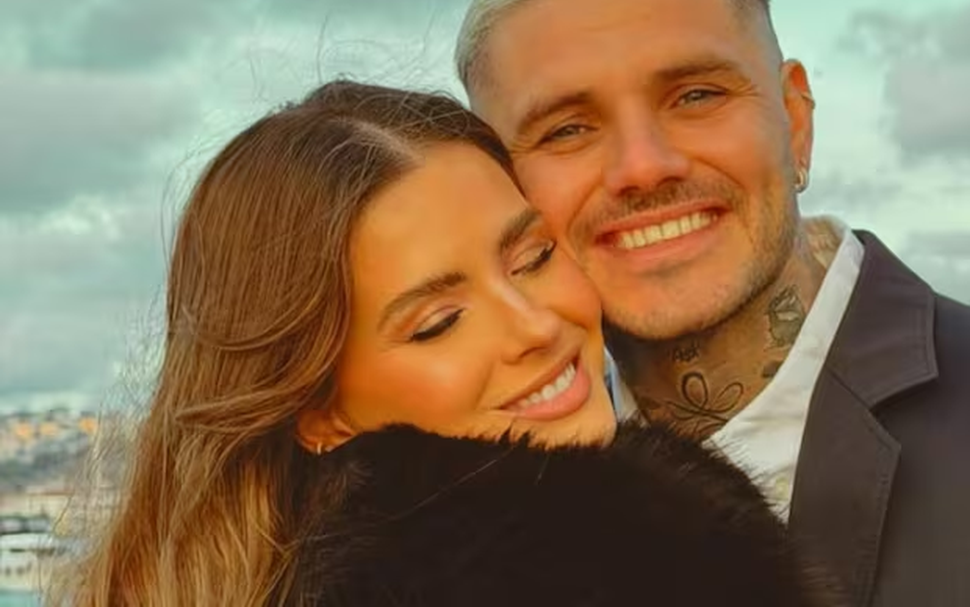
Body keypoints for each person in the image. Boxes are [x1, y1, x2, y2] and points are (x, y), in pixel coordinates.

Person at [454, 0, 970, 605]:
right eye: (568, 129)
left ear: (796, 120)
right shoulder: (479, 500)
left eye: (697, 95)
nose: (644, 166)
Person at [51, 82, 823, 607]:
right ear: (317, 408)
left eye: (533, 258)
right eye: (438, 322)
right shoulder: (660, 556)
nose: (534, 325)